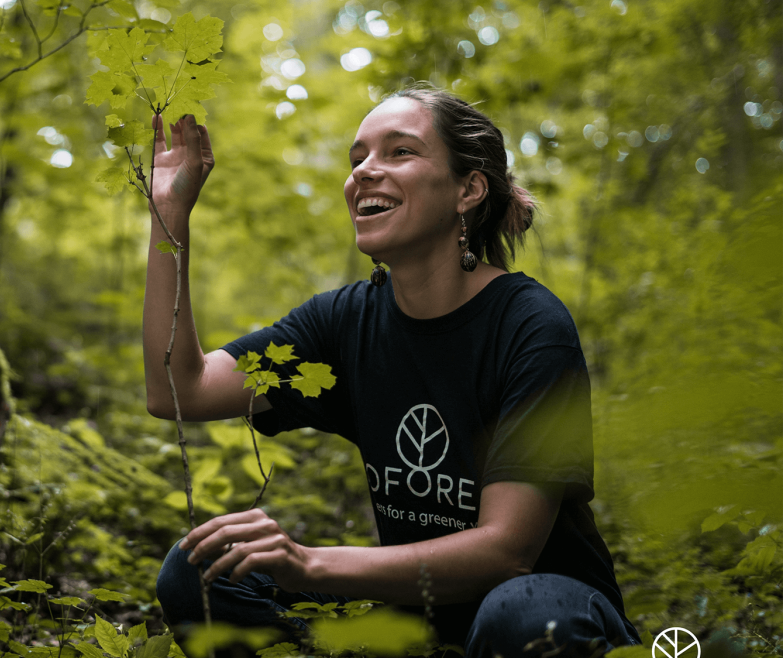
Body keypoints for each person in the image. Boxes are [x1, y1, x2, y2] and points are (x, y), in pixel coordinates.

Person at [142, 84, 640, 656]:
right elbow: (181, 390)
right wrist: (169, 212)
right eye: (358, 160)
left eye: (399, 152)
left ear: (468, 189)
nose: (365, 174)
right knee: (198, 570)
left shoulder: (530, 325)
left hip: (545, 608)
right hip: (417, 616)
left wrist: (309, 563)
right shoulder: (343, 321)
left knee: (520, 613)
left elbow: (507, 552)